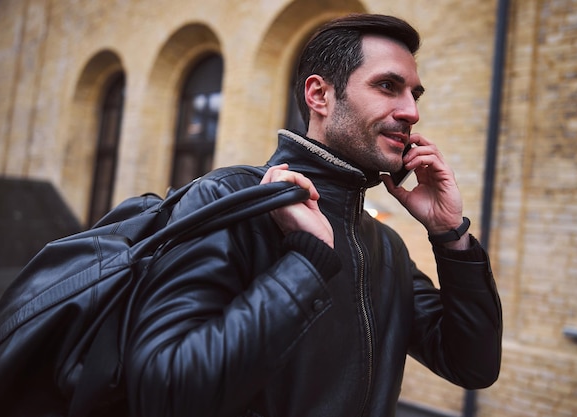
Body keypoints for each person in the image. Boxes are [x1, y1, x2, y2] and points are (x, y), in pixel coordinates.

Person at [124, 13, 502, 417]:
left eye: (415, 94)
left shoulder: (386, 247)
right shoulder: (228, 199)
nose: (411, 112)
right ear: (319, 95)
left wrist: (450, 236)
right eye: (388, 86)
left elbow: (472, 366)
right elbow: (162, 390)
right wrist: (307, 260)